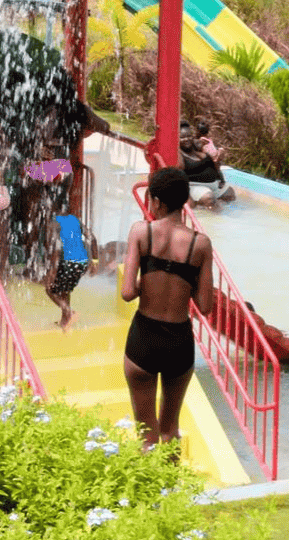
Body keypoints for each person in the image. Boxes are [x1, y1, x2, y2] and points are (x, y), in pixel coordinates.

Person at [122, 167, 213, 450]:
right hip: (178, 342)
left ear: (157, 201)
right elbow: (205, 305)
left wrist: (146, 284)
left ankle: (147, 493)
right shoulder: (201, 244)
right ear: (184, 201)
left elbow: (127, 293)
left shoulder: (141, 232)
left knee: (146, 437)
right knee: (169, 431)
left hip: (144, 338)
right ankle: (172, 491)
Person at [45, 196, 97, 329]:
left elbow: (55, 248)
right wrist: (94, 261)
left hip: (66, 261)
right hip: (82, 262)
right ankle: (65, 321)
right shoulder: (75, 220)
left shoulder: (53, 222)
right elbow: (92, 238)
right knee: (65, 289)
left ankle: (69, 311)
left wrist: (53, 271)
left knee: (50, 289)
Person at [179, 123, 235, 205]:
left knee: (230, 194)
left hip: (213, 184)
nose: (186, 139)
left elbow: (215, 164)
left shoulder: (197, 145)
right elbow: (179, 174)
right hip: (195, 185)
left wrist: (218, 158)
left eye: (189, 136)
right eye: (182, 137)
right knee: (209, 198)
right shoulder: (178, 153)